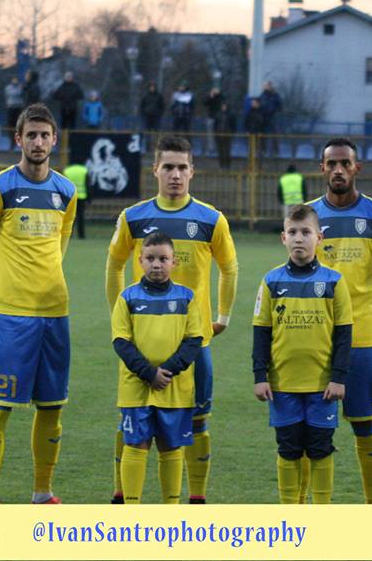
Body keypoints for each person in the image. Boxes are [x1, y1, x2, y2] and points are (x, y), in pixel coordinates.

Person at [107, 136, 238, 504]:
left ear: (192, 171)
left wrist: (223, 316)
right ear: (155, 170)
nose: (175, 175)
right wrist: (119, 314)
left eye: (182, 167)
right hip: (142, 341)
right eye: (168, 167)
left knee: (196, 421)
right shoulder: (133, 217)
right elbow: (114, 265)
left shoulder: (211, 219)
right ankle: (121, 494)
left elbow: (229, 268)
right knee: (130, 419)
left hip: (194, 343)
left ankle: (195, 498)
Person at [0, 103, 77, 504]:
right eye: (30, 134)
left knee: (52, 407)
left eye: (44, 135)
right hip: (12, 315)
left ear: (54, 139)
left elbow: (60, 246)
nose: (37, 142)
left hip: (55, 311)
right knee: (0, 406)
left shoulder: (66, 191)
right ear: (18, 139)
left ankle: (42, 493)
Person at [306, 138, 372, 504]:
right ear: (322, 168)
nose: (338, 170)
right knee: (313, 427)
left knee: (364, 423)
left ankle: (371, 505)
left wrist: (365, 309)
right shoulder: (309, 217)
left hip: (363, 338)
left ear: (357, 167)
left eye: (345, 163)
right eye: (331, 163)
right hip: (316, 339)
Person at [252, 204, 353, 503]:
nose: (299, 238)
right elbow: (261, 332)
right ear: (283, 237)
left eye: (306, 232)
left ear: (319, 238)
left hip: (322, 385)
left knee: (320, 448)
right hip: (283, 384)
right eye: (293, 232)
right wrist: (260, 376)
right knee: (289, 449)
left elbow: (344, 335)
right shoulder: (271, 281)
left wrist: (338, 378)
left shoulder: (334, 281)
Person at [112, 231, 203, 503]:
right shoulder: (127, 297)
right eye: (150, 258)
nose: (156, 264)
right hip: (136, 388)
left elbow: (194, 340)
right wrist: (149, 373)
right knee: (135, 444)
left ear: (174, 262)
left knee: (171, 446)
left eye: (163, 259)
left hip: (174, 388)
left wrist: (167, 371)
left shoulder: (187, 298)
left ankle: (170, 510)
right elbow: (121, 342)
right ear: (140, 260)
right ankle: (132, 509)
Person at [63, 163, 89, 239]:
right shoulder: (84, 170)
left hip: (70, 197)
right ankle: (81, 235)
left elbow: (63, 185)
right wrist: (89, 198)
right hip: (82, 196)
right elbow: (88, 184)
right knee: (81, 216)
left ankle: (69, 234)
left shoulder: (67, 171)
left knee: (70, 216)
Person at [259, 81, 283, 156]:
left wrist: (275, 110)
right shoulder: (262, 95)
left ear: (270, 86)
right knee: (262, 134)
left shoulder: (275, 95)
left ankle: (276, 152)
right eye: (264, 86)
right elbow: (260, 105)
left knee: (275, 134)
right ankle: (263, 150)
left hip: (273, 116)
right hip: (264, 116)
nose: (265, 87)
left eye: (267, 85)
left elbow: (280, 105)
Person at [212, 102, 235, 170]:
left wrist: (232, 133)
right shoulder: (218, 114)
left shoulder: (230, 115)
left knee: (227, 151)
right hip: (219, 135)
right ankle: (221, 165)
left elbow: (233, 125)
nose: (223, 108)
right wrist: (216, 133)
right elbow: (215, 125)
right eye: (222, 106)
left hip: (227, 135)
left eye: (225, 106)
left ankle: (227, 165)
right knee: (220, 151)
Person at [4, 76, 24, 147]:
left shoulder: (20, 87)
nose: (15, 81)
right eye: (14, 80)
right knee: (10, 124)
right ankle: (11, 140)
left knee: (18, 124)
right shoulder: (8, 88)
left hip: (18, 107)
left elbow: (20, 93)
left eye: (16, 80)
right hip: (11, 107)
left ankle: (17, 140)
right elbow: (10, 94)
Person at [204, 87, 224, 154]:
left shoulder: (221, 97)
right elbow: (205, 103)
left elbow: (223, 103)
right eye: (214, 90)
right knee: (210, 134)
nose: (215, 91)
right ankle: (211, 148)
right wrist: (211, 96)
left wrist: (218, 95)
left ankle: (220, 148)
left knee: (220, 133)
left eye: (216, 89)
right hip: (211, 117)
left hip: (220, 118)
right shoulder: (210, 97)